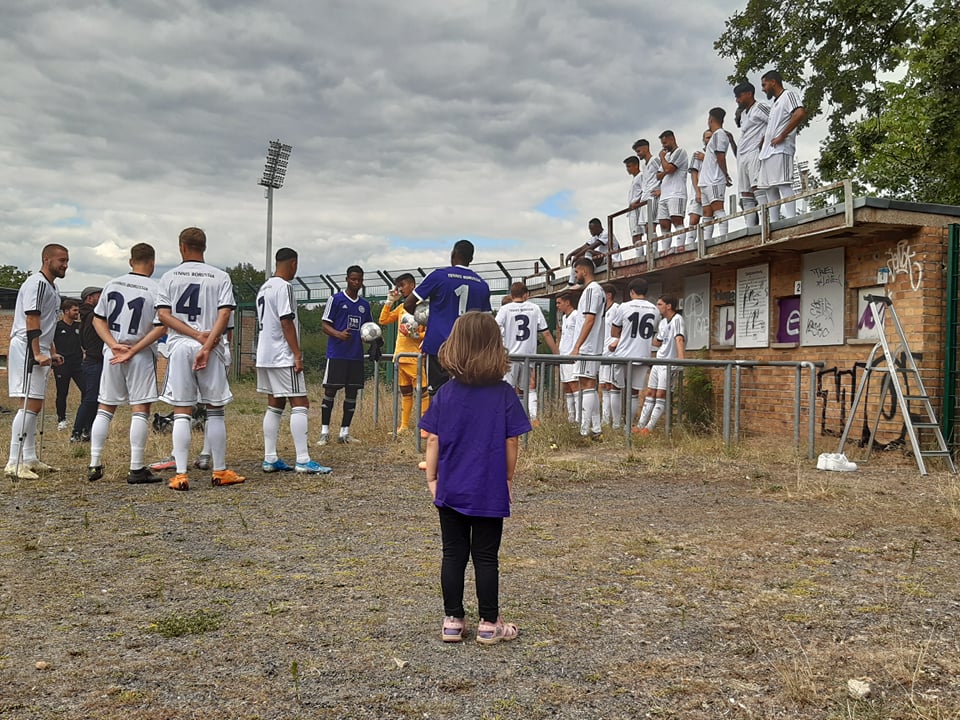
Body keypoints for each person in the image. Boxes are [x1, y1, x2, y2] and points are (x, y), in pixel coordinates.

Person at [419, 311, 531, 644]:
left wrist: (433, 479)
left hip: (451, 488)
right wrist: (506, 479)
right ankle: (489, 624)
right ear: (495, 348)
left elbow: (433, 439)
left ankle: (452, 621)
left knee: (452, 554)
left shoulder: (445, 393)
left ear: (454, 346)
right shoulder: (504, 394)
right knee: (486, 557)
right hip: (488, 488)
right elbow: (512, 442)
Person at [157, 226, 242, 491]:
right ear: (204, 247)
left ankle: (181, 475)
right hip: (212, 345)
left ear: (182, 247)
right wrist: (206, 343)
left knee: (182, 410)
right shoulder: (220, 276)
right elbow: (225, 314)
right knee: (215, 410)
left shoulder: (169, 277)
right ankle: (220, 471)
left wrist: (193, 335)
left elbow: (163, 315)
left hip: (181, 346)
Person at [86, 243, 166, 484]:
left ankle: (94, 463)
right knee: (140, 409)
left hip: (113, 353)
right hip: (139, 354)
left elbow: (97, 320)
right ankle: (136, 468)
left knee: (105, 407)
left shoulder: (112, 284)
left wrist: (113, 344)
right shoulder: (156, 289)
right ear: (152, 263)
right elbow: (161, 326)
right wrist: (133, 350)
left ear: (131, 261)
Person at [255, 248, 332, 474]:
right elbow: (286, 321)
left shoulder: (264, 287)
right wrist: (296, 354)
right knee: (300, 403)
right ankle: (303, 460)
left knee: (275, 404)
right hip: (282, 355)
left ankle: (270, 458)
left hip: (265, 354)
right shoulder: (285, 287)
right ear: (293, 264)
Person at [5, 244, 69, 480]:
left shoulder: (53, 287)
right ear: (46, 259)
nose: (65, 265)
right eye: (61, 260)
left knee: (36, 404)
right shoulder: (37, 283)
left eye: (67, 261)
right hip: (26, 346)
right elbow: (32, 318)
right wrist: (36, 353)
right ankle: (14, 462)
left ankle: (30, 457)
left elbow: (48, 323)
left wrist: (51, 351)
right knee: (28, 404)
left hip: (40, 347)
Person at [404, 239, 491, 395]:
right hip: (469, 348)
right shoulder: (482, 284)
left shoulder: (439, 276)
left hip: (439, 345)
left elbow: (408, 304)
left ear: (453, 254)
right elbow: (486, 322)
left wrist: (427, 319)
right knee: (467, 393)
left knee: (438, 394)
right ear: (471, 258)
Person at [319, 265, 373, 446]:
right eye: (353, 279)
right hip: (337, 354)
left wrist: (374, 342)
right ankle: (324, 432)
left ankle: (344, 433)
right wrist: (339, 334)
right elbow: (325, 325)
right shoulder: (335, 299)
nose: (356, 282)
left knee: (352, 392)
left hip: (355, 355)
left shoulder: (364, 305)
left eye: (359, 280)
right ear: (347, 279)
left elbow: (369, 329)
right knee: (330, 391)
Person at [494, 281, 559, 426]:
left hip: (510, 356)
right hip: (528, 356)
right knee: (529, 387)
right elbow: (546, 333)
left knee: (508, 388)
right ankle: (532, 419)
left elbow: (494, 329)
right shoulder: (534, 308)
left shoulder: (505, 309)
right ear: (526, 295)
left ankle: (508, 419)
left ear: (511, 295)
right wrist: (557, 354)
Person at [380, 272, 429, 433]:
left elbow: (430, 332)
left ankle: (425, 427)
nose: (400, 289)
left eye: (402, 285)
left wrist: (416, 335)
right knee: (405, 392)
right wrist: (389, 301)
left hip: (414, 357)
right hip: (399, 356)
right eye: (398, 286)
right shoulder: (401, 307)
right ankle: (404, 426)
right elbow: (383, 320)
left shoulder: (423, 308)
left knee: (422, 391)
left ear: (412, 285)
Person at [610, 279, 660, 426]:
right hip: (643, 355)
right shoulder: (655, 310)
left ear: (632, 292)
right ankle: (629, 426)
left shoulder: (624, 306)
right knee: (634, 392)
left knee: (615, 388)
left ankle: (616, 425)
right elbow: (653, 332)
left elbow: (614, 331)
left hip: (623, 354)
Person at [758, 70, 807, 220]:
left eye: (764, 85)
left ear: (773, 82)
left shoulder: (788, 95)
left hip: (781, 149)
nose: (763, 89)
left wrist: (783, 135)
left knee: (783, 183)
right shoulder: (774, 104)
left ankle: (791, 218)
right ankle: (774, 221)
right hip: (768, 151)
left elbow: (799, 113)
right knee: (769, 187)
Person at [635, 295, 686, 435]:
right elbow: (657, 342)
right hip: (659, 360)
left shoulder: (677, 319)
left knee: (661, 393)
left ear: (668, 306)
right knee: (650, 392)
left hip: (669, 362)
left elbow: (679, 339)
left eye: (660, 304)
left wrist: (681, 360)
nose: (657, 307)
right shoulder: (663, 322)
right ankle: (640, 425)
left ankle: (649, 427)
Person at [570, 257, 605, 439]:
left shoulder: (592, 290)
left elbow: (590, 319)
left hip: (588, 347)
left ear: (584, 271)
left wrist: (578, 346)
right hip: (591, 345)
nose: (576, 275)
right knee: (588, 384)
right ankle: (596, 428)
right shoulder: (593, 290)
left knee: (587, 384)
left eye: (576, 272)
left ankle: (584, 430)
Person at [733, 81, 770, 226]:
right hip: (742, 155)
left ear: (749, 93)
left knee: (757, 187)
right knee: (745, 192)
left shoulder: (760, 107)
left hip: (754, 152)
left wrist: (765, 140)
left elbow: (776, 121)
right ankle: (750, 227)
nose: (737, 100)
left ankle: (765, 223)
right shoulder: (743, 114)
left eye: (739, 96)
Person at [69, 286, 103, 443]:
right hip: (94, 361)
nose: (101, 298)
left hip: (92, 360)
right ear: (90, 298)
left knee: (94, 399)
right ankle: (77, 431)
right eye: (98, 296)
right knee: (90, 399)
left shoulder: (86, 316)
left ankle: (86, 430)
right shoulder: (93, 317)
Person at [699, 107, 734, 241]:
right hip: (705, 181)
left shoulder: (720, 134)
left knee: (718, 209)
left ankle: (723, 238)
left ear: (711, 119)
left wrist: (725, 174)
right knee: (707, 213)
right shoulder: (715, 136)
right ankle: (706, 240)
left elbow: (720, 156)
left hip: (714, 179)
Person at [656, 130, 689, 253]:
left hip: (676, 192)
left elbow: (670, 169)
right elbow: (658, 175)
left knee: (677, 220)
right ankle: (665, 250)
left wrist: (662, 158)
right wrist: (665, 168)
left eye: (665, 143)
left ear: (672, 139)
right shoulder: (667, 157)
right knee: (664, 224)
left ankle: (680, 247)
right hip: (664, 194)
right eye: (662, 143)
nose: (664, 146)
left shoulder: (680, 152)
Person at [53, 297, 82, 430]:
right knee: (62, 392)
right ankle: (61, 419)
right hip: (62, 365)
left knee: (87, 390)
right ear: (66, 311)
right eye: (74, 310)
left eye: (77, 310)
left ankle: (83, 418)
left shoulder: (79, 326)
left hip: (78, 365)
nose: (77, 313)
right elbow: (50, 343)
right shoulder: (57, 327)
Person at [565, 219, 620, 286]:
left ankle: (587, 274)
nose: (590, 231)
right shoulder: (595, 237)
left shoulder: (606, 233)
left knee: (589, 252)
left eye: (591, 229)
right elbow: (583, 247)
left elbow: (592, 247)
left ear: (598, 227)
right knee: (579, 259)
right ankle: (570, 283)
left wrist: (577, 255)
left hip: (611, 258)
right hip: (603, 258)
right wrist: (571, 254)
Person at [555, 291, 582, 424]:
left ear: (567, 302)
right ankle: (571, 416)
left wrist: (576, 350)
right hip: (563, 355)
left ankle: (579, 417)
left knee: (574, 384)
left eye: (559, 303)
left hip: (572, 356)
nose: (557, 305)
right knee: (566, 386)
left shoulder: (576, 315)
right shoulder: (564, 318)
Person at [598, 283, 622, 429]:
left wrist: (616, 342)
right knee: (604, 386)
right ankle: (605, 420)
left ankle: (617, 423)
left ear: (608, 295)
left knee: (613, 386)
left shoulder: (617, 309)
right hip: (603, 352)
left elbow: (623, 328)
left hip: (613, 352)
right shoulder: (602, 311)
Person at [632, 139, 661, 253]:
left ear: (646, 148)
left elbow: (664, 173)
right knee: (646, 228)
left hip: (652, 197)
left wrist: (661, 190)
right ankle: (649, 251)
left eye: (639, 151)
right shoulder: (644, 165)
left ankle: (653, 253)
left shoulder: (655, 161)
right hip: (644, 198)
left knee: (651, 226)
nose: (638, 154)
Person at [685, 130, 710, 250]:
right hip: (699, 190)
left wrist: (706, 158)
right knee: (694, 218)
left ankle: (706, 242)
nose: (709, 140)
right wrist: (697, 191)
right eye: (707, 137)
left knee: (708, 216)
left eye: (711, 137)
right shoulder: (697, 155)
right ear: (703, 140)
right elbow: (694, 174)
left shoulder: (715, 155)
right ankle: (689, 245)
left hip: (711, 190)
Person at [624, 156, 644, 247]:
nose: (627, 169)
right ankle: (639, 252)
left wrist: (637, 202)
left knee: (637, 234)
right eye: (627, 167)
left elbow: (645, 191)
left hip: (637, 208)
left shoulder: (641, 176)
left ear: (636, 165)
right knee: (634, 235)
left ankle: (642, 253)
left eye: (629, 166)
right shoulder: (635, 178)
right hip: (632, 209)